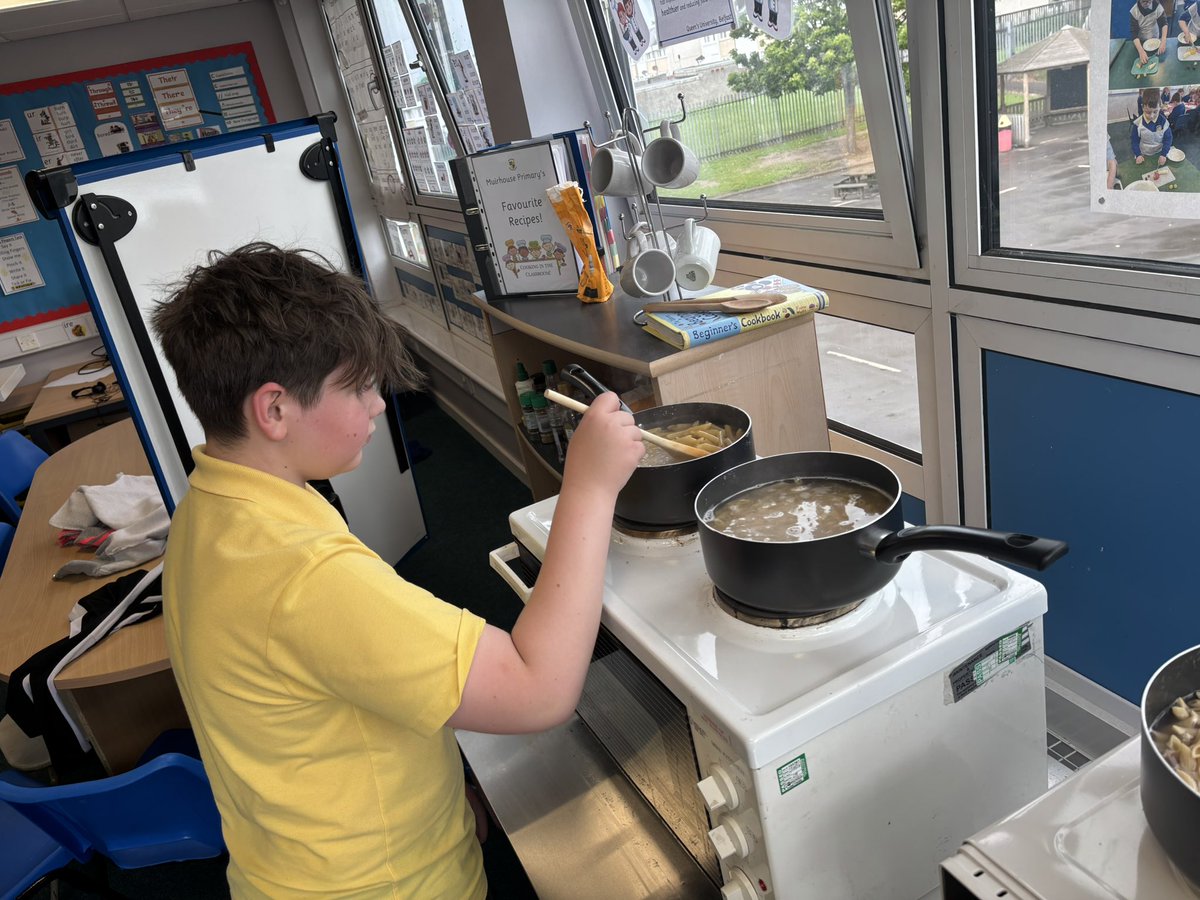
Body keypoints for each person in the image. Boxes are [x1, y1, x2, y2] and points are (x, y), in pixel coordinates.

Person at [149, 243, 645, 899]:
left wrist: (438, 798)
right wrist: (589, 487)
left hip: (302, 861)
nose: (379, 405)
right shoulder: (302, 573)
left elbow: (328, 693)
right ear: (273, 410)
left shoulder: (213, 506)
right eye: (356, 386)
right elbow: (540, 689)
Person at [1131, 87, 1173, 166]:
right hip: (1143, 154)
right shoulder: (1137, 124)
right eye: (1148, 112)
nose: (1151, 116)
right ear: (1142, 107)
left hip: (1159, 153)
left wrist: (1164, 154)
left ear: (1160, 107)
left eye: (1155, 111)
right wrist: (1138, 154)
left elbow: (1168, 139)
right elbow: (1134, 141)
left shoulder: (1164, 122)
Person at [1131, 0, 1169, 64]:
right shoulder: (1134, 11)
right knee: (1144, 59)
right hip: (1141, 41)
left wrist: (1163, 41)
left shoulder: (1157, 5)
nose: (1147, 4)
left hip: (1155, 37)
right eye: (1144, 1)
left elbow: (1164, 24)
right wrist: (1141, 51)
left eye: (1149, 1)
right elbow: (1134, 33)